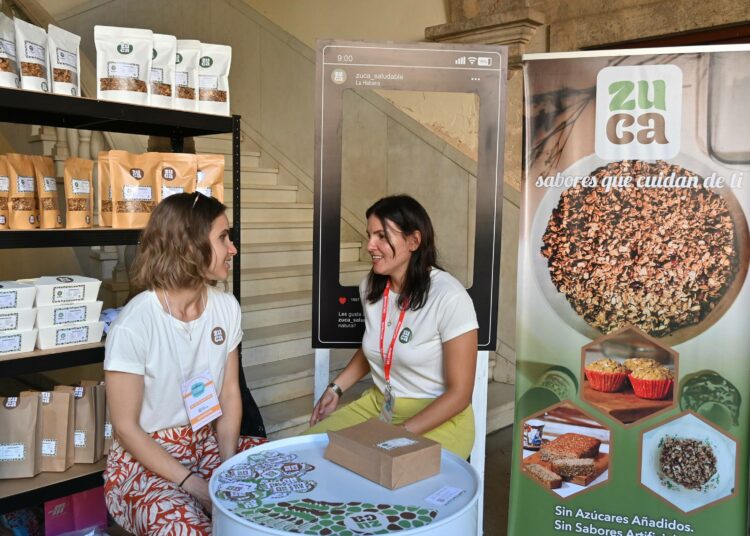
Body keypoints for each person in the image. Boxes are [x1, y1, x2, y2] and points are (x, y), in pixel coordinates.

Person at [103, 192, 266, 535]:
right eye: (223, 238)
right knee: (186, 528)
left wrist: (225, 466)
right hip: (145, 461)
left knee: (284, 482)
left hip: (206, 441)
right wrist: (196, 486)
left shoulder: (226, 308)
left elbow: (229, 393)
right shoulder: (134, 326)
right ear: (190, 247)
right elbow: (125, 428)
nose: (232, 248)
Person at [306, 195, 478, 458]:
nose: (370, 246)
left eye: (382, 236)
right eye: (369, 235)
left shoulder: (449, 297)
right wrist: (336, 388)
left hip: (440, 416)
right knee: (307, 449)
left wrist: (396, 436)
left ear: (413, 241)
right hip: (381, 405)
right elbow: (381, 345)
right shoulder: (370, 287)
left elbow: (460, 395)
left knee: (383, 472)